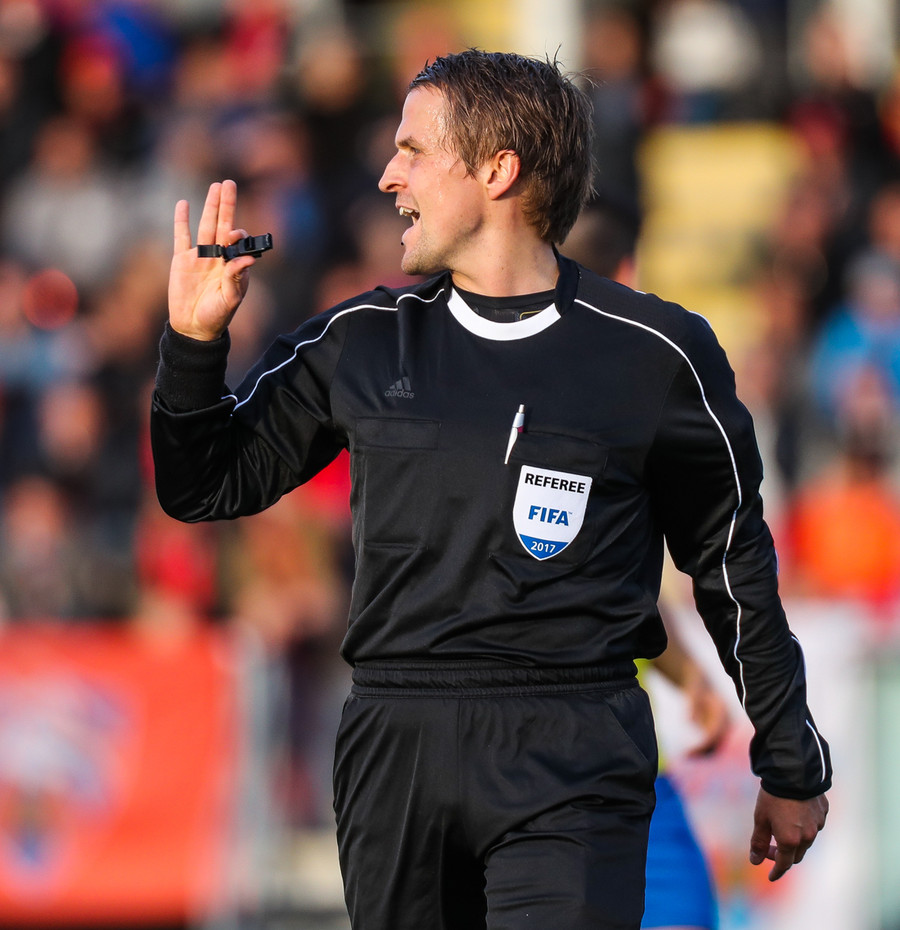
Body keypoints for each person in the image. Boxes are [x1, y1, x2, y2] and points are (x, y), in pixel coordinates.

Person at [151, 50, 831, 930]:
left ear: (498, 170)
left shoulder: (657, 354)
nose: (388, 175)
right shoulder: (361, 342)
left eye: (412, 150)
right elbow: (202, 487)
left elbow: (733, 570)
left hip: (575, 747)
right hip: (396, 747)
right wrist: (193, 344)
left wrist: (789, 759)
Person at [565, 196, 727, 930]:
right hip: (603, 766)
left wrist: (686, 675)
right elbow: (615, 580)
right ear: (628, 273)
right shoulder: (618, 400)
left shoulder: (480, 383)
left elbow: (611, 576)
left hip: (521, 757)